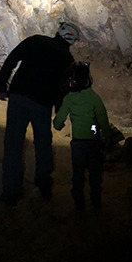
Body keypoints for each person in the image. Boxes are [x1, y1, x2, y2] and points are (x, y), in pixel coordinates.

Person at [0, 21, 79, 206]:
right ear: (72, 40)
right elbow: (63, 90)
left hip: (19, 97)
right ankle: (44, 185)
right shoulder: (68, 60)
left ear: (58, 32)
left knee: (13, 143)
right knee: (43, 145)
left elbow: (12, 59)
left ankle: (10, 192)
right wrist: (59, 113)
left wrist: (2, 85)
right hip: (42, 105)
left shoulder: (36, 41)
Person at [53, 62, 112, 211]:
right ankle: (96, 203)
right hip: (93, 139)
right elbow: (103, 120)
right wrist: (108, 137)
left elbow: (57, 121)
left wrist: (59, 125)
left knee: (78, 174)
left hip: (78, 142)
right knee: (95, 174)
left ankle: (79, 204)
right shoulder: (93, 97)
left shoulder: (69, 99)